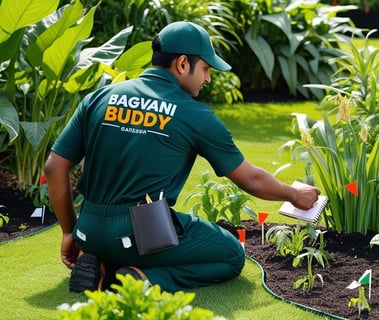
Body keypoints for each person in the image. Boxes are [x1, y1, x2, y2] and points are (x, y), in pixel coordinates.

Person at [44, 21, 320, 293]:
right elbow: (251, 179)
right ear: (183, 64)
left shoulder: (100, 97)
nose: (208, 78)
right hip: (143, 234)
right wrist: (294, 195)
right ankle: (137, 278)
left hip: (88, 230)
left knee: (118, 237)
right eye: (206, 69)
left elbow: (54, 166)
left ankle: (102, 261)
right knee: (231, 255)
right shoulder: (194, 115)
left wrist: (71, 232)